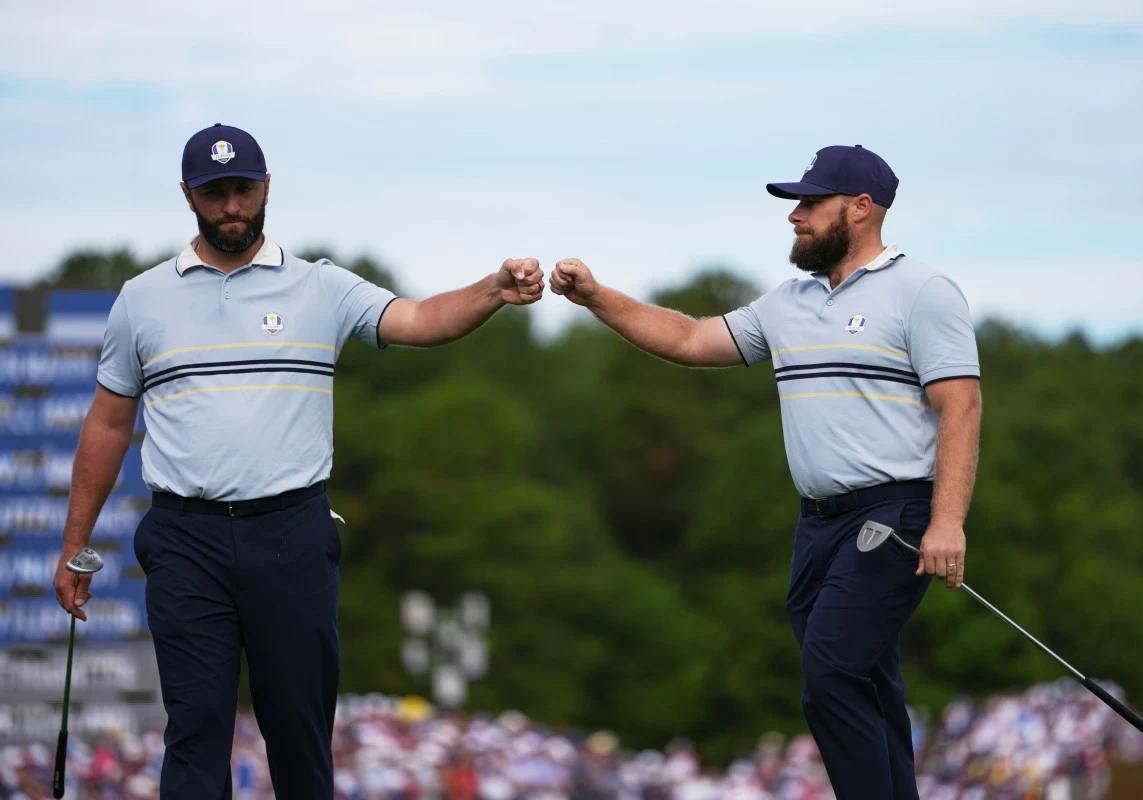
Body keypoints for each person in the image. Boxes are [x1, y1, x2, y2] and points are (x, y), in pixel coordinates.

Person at [52, 122, 545, 799]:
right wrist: (75, 544)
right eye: (215, 192)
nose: (232, 206)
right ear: (188, 196)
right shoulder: (142, 300)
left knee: (299, 731)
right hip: (185, 538)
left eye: (243, 190)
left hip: (292, 531)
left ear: (267, 188)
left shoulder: (321, 287)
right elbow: (109, 424)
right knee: (194, 732)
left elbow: (420, 320)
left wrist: (492, 291)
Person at [549, 144, 982, 799]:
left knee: (832, 673)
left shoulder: (921, 292)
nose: (796, 217)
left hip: (893, 517)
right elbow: (692, 340)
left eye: (810, 203)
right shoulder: (788, 303)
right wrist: (596, 297)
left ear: (860, 208)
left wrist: (948, 521)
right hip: (817, 525)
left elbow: (961, 406)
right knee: (866, 679)